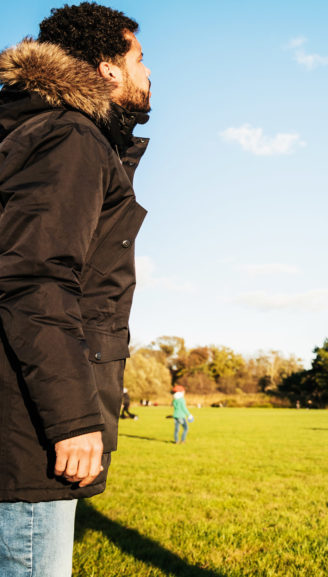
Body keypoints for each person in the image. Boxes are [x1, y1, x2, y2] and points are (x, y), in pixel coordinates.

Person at [0, 3, 152, 575]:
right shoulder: (70, 137)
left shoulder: (33, 130)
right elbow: (37, 278)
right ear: (108, 70)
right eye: (139, 58)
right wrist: (72, 419)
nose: (147, 73)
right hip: (28, 427)